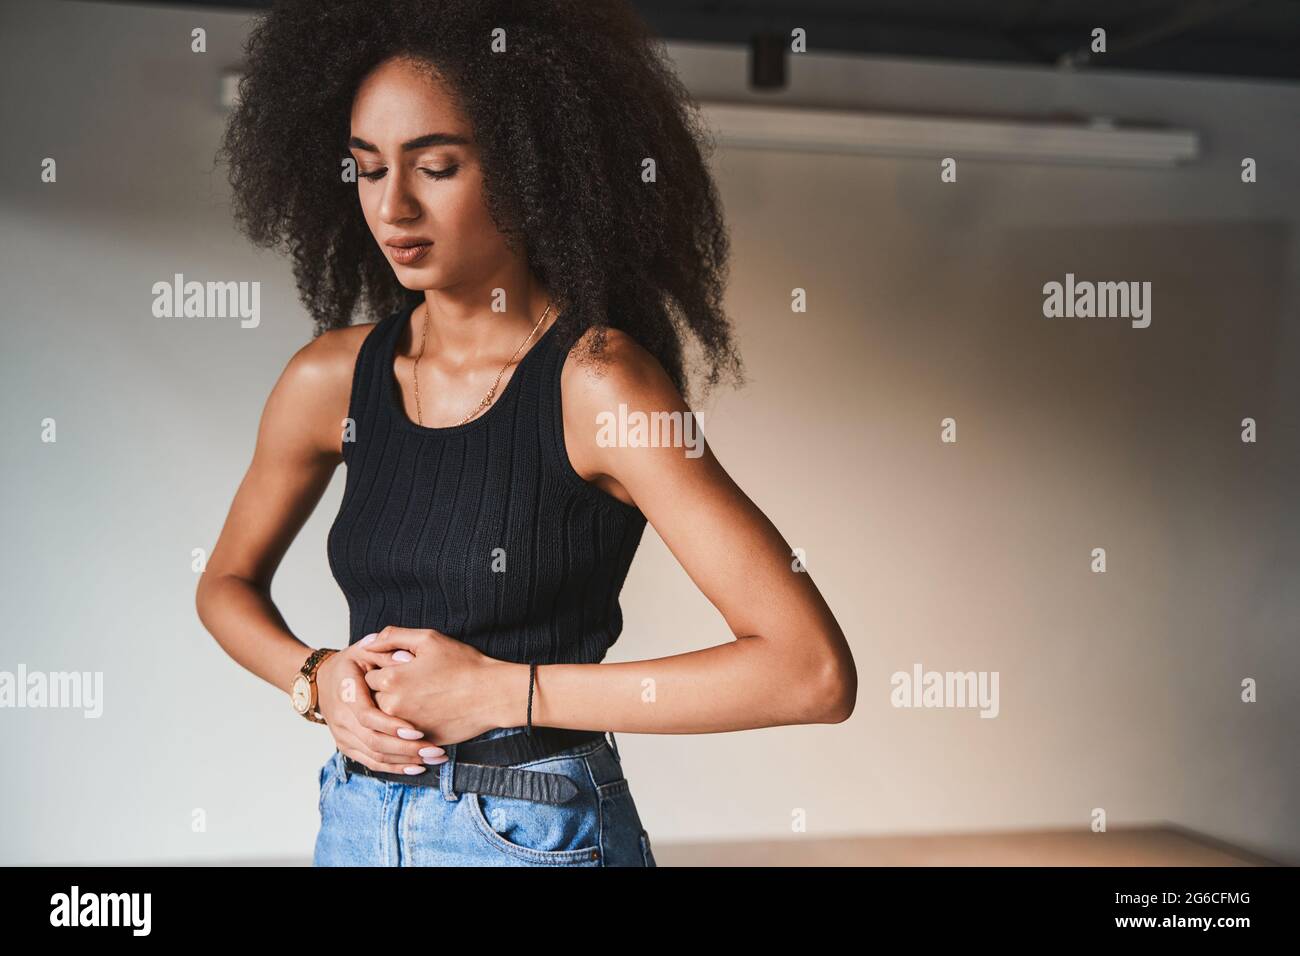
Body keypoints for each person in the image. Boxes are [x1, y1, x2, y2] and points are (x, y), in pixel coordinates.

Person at [197, 0, 856, 867]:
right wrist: (313, 675)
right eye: (366, 169)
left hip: (530, 829)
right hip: (354, 824)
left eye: (435, 167)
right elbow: (225, 584)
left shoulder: (598, 385)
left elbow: (809, 671)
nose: (392, 205)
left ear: (529, 166)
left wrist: (506, 692)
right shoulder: (329, 379)